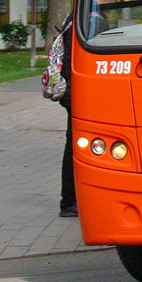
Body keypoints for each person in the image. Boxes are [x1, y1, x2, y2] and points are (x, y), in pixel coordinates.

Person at [57, 13, 77, 217]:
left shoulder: (72, 18)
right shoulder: (85, 20)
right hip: (76, 92)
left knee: (72, 144)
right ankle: (69, 201)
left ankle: (70, 200)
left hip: (71, 91)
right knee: (74, 146)